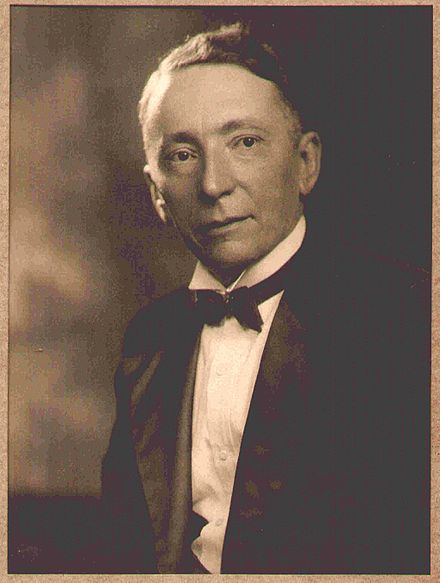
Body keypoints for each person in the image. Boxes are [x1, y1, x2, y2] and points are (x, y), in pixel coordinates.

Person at [100, 23, 430, 574]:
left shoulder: (408, 317)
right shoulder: (148, 342)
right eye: (182, 155)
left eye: (244, 143)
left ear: (305, 164)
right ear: (157, 194)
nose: (213, 185)